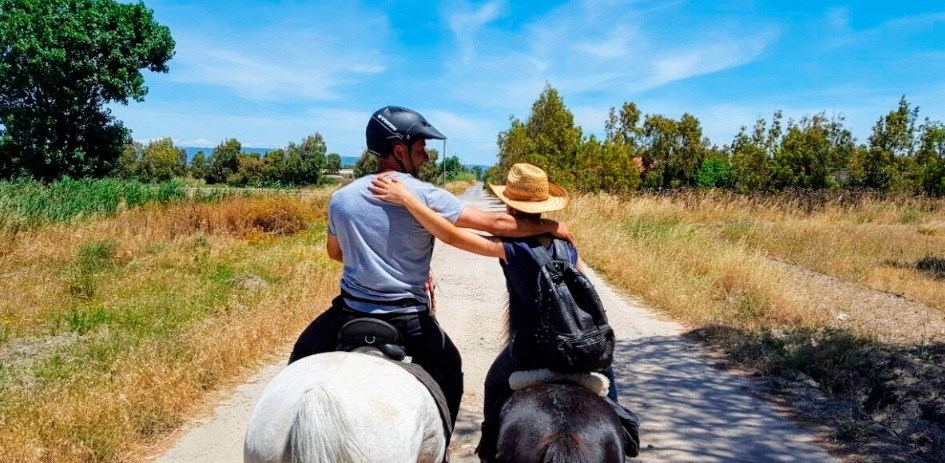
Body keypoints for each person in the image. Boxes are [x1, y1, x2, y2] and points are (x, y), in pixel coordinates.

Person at [288, 107, 574, 435]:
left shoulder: (341, 198)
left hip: (348, 313)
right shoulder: (424, 195)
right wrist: (550, 225)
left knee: (300, 357)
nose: (425, 159)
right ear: (399, 150)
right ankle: (441, 447)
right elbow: (496, 223)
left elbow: (334, 253)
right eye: (421, 150)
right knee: (450, 367)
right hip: (407, 319)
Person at [370, 162, 640, 461]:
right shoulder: (567, 245)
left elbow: (450, 235)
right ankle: (625, 432)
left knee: (494, 382)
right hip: (580, 349)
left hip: (529, 351)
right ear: (543, 206)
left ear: (509, 206)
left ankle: (488, 450)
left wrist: (407, 198)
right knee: (608, 387)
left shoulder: (511, 247)